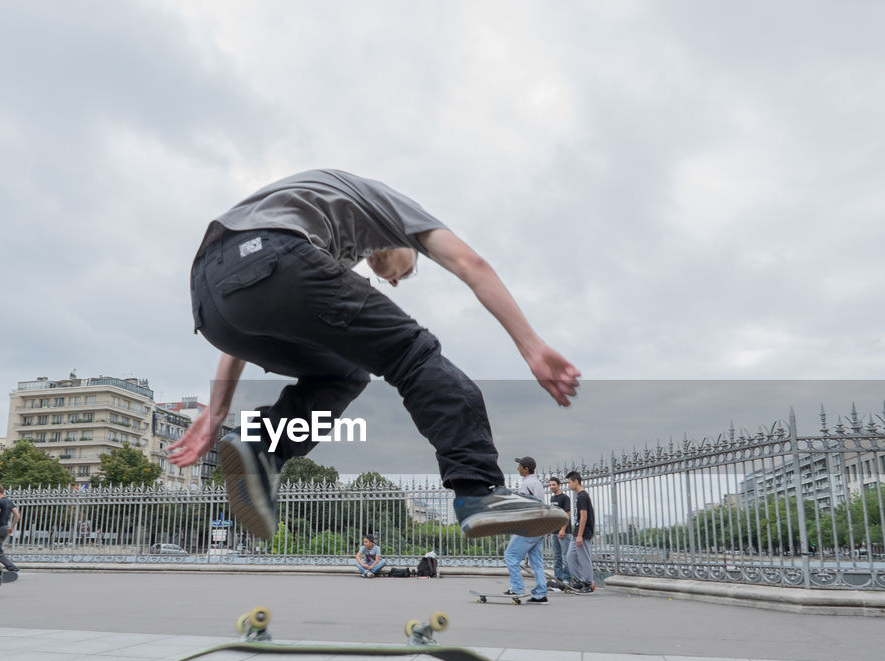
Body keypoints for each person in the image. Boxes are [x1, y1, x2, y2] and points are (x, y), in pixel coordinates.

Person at [166, 169, 578, 541]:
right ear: (405, 241)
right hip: (275, 256)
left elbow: (248, 299)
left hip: (210, 299)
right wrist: (532, 346)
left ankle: (260, 444)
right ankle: (479, 490)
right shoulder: (393, 208)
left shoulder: (323, 229)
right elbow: (471, 263)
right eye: (409, 269)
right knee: (413, 354)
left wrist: (217, 414)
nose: (397, 281)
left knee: (345, 371)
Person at [503, 456, 549, 602]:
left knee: (510, 556)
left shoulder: (527, 484)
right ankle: (541, 593)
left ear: (526, 468)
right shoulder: (537, 483)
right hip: (539, 527)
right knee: (537, 562)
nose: (518, 468)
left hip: (528, 527)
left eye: (520, 466)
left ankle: (517, 588)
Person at [564, 470, 595, 593]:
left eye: (569, 482)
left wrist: (580, 535)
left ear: (576, 481)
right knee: (570, 556)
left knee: (583, 558)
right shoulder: (579, 496)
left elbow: (584, 516)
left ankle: (588, 583)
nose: (568, 485)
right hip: (576, 532)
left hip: (583, 533)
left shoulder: (582, 495)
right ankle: (578, 580)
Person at [547, 475, 573, 590]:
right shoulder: (552, 499)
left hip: (564, 532)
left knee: (565, 556)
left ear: (559, 485)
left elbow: (567, 514)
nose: (552, 487)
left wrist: (562, 529)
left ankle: (567, 578)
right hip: (554, 532)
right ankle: (558, 578)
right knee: (557, 556)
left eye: (554, 484)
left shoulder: (565, 498)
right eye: (550, 485)